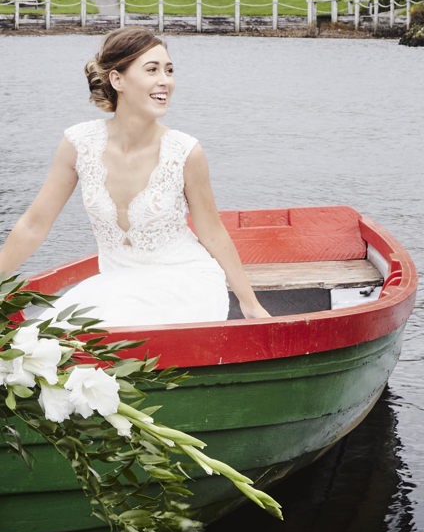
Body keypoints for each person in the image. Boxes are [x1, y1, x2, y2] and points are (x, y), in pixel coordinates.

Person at [0, 27, 269, 327]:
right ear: (118, 80)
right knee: (44, 336)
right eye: (152, 70)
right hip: (116, 285)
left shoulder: (185, 152)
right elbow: (34, 225)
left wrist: (250, 304)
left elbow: (212, 233)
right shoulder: (79, 144)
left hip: (185, 284)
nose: (165, 81)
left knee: (110, 325)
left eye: (169, 70)